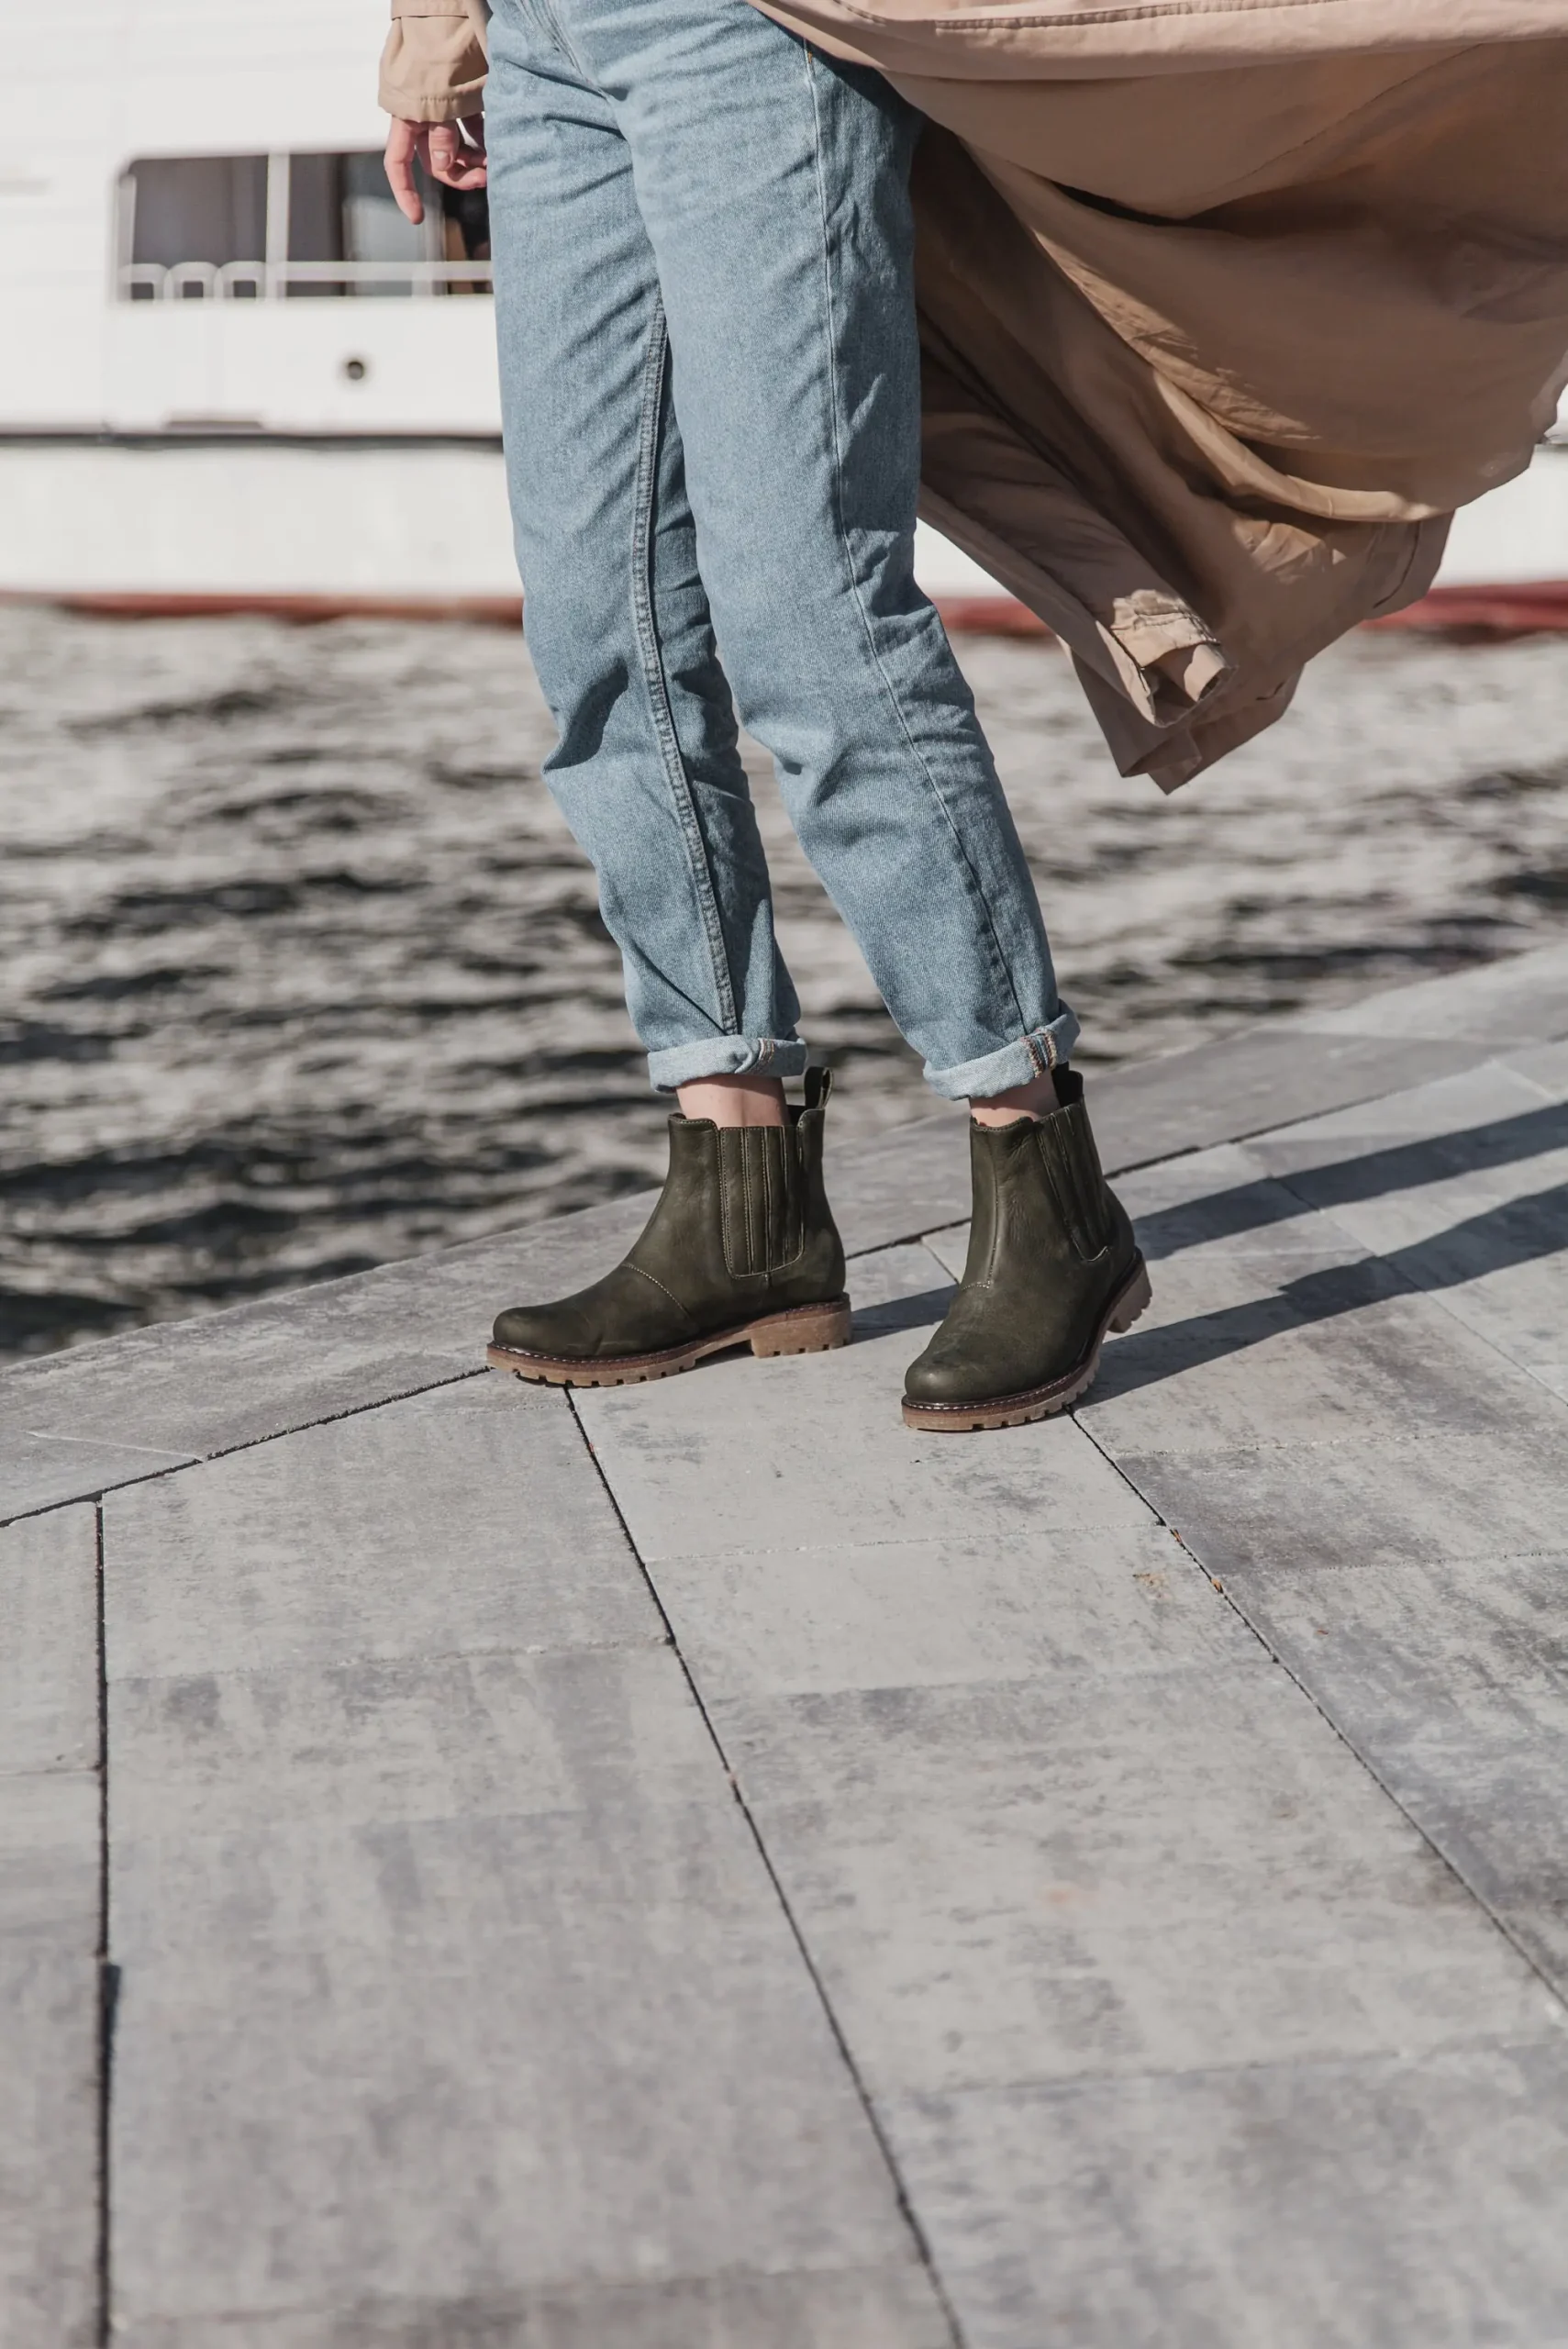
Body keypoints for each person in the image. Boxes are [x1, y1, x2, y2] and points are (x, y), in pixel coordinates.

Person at [382, 0, 1150, 1433]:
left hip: (742, 26)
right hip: (547, 46)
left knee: (813, 618)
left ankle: (1043, 1173)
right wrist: (439, 32)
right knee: (607, 640)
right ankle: (742, 1202)